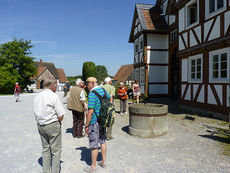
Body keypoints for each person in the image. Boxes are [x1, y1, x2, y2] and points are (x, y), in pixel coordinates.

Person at [34, 79, 65, 173]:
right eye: (55, 84)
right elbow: (61, 115)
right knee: (56, 151)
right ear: (51, 85)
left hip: (41, 125)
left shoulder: (37, 96)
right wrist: (57, 122)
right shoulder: (53, 96)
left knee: (45, 149)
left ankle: (46, 171)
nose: (56, 86)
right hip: (52, 124)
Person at [84, 77, 110, 173]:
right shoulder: (103, 90)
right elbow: (110, 99)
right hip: (103, 120)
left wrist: (87, 125)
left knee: (94, 144)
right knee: (102, 141)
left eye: (87, 84)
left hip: (94, 122)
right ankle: (103, 162)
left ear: (91, 83)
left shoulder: (92, 94)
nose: (87, 86)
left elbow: (90, 112)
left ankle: (93, 167)